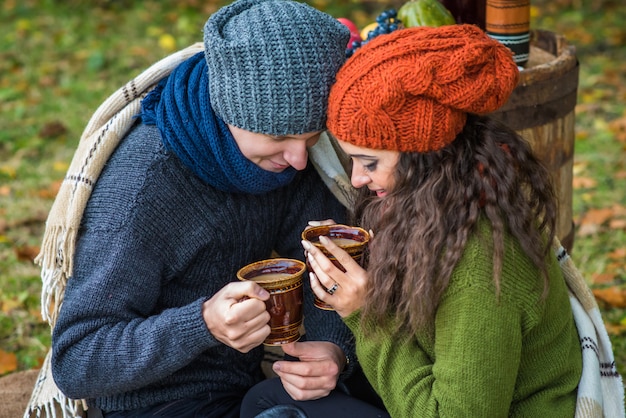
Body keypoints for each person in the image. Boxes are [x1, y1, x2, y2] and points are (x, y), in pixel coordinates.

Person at [44, 1, 384, 417]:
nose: (298, 159)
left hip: (248, 384)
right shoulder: (143, 189)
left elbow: (318, 265)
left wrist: (332, 350)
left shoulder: (286, 156)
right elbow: (78, 359)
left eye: (312, 136)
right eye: (279, 137)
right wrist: (201, 323)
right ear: (231, 110)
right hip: (157, 403)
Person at [296, 25, 584, 416]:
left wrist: (365, 316)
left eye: (370, 162)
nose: (358, 179)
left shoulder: (478, 265)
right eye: (353, 161)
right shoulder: (446, 205)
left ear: (423, 159)